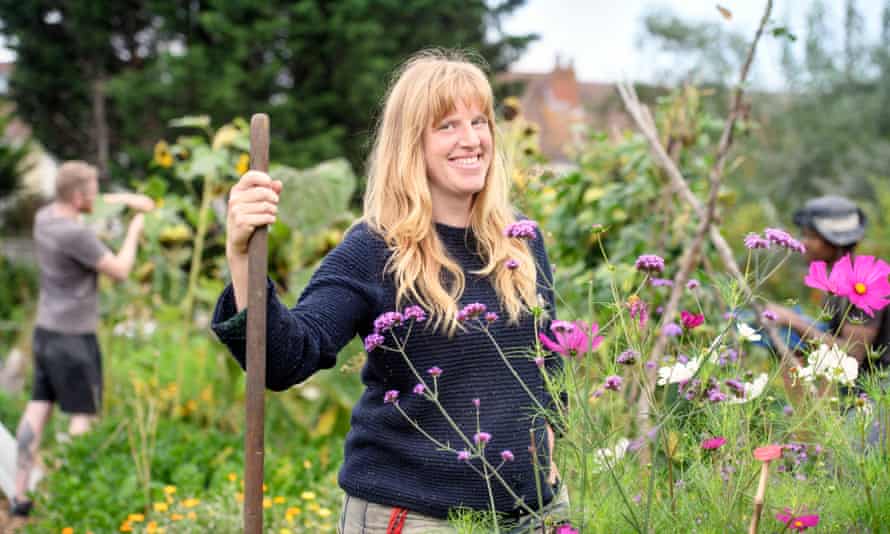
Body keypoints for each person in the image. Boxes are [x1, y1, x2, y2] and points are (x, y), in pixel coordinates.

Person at [212, 50, 570, 533]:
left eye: (479, 121)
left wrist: (548, 443)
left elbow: (547, 357)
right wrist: (240, 255)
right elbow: (283, 359)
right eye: (447, 126)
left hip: (534, 514)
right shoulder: (377, 250)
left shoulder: (520, 241)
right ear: (411, 144)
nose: (471, 140)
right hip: (418, 518)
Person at [10, 161, 155, 517]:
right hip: (74, 339)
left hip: (45, 333)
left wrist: (124, 197)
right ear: (77, 196)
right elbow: (120, 270)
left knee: (37, 408)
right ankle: (69, 496)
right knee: (81, 416)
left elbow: (90, 200)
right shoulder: (76, 236)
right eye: (90, 191)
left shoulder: (45, 217)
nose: (97, 197)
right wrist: (136, 226)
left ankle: (19, 496)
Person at [766, 195, 890, 385]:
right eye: (804, 234)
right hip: (847, 386)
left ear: (838, 242)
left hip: (876, 392)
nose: (804, 243)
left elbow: (851, 353)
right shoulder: (835, 281)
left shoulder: (866, 284)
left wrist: (793, 321)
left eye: (812, 236)